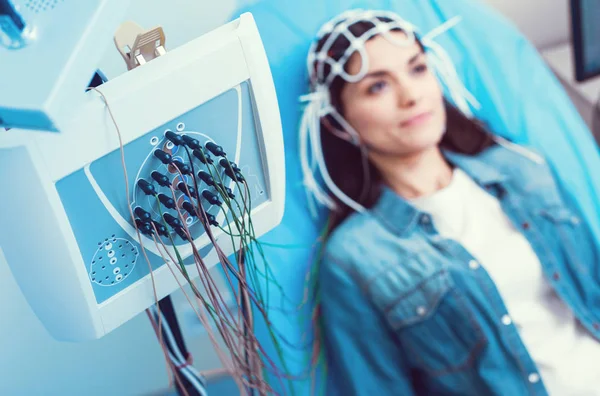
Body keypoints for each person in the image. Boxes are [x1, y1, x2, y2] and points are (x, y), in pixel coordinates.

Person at [298, 9, 600, 396]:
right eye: (377, 86)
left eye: (417, 69)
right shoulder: (355, 259)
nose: (411, 95)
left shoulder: (522, 170)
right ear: (338, 120)